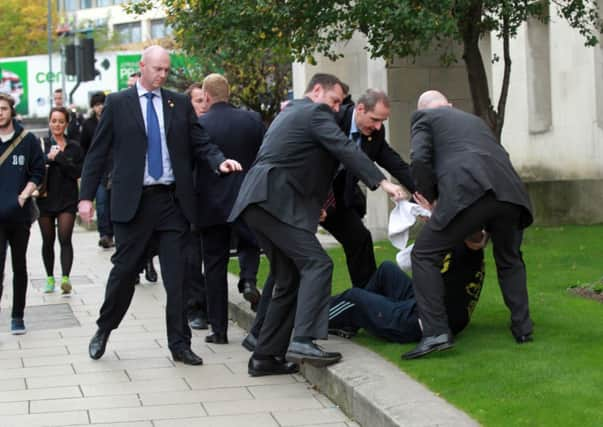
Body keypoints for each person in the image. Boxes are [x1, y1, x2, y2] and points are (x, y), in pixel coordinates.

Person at [228, 73, 407, 377]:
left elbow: (300, 162)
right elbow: (344, 148)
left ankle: (264, 357)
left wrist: (317, 205)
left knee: (288, 277)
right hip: (274, 203)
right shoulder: (315, 111)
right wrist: (381, 182)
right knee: (318, 264)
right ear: (316, 92)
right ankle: (303, 340)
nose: (337, 108)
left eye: (340, 103)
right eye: (334, 100)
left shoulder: (293, 112)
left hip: (260, 202)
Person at [78, 45, 242, 366]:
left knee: (178, 277)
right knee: (124, 274)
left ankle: (179, 344)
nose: (162, 75)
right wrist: (86, 197)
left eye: (166, 70)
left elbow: (200, 142)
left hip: (171, 203)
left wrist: (218, 161)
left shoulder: (178, 103)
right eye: (157, 69)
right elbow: (97, 153)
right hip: (133, 204)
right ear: (142, 67)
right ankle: (104, 328)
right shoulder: (117, 103)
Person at [403, 90, 534, 360]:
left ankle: (436, 331)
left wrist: (432, 198)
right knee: (509, 259)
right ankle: (523, 328)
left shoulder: (424, 118)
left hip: (468, 191)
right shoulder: (474, 122)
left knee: (424, 254)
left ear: (423, 108)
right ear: (449, 105)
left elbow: (419, 160)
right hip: (510, 193)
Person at [197, 73, 264, 344]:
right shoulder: (252, 120)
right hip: (245, 198)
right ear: (229, 93)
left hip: (211, 204)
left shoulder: (200, 125)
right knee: (250, 242)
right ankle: (248, 279)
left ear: (207, 96)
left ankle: (219, 330)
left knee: (214, 266)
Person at [325, 89, 415, 287]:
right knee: (295, 258)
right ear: (360, 109)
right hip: (309, 195)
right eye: (374, 119)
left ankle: (369, 300)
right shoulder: (332, 120)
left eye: (382, 121)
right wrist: (382, 182)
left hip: (338, 199)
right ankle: (268, 311)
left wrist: (421, 192)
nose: (377, 126)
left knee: (360, 239)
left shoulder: (375, 133)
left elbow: (394, 163)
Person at [328, 232, 487, 344]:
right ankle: (350, 320)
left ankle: (313, 319)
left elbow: (406, 261)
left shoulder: (455, 249)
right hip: (430, 306)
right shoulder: (471, 250)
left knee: (354, 297)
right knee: (386, 270)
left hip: (422, 322)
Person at [0, 93, 45, 334]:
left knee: (19, 265)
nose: (0, 113)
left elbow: (38, 171)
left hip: (19, 215)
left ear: (11, 111)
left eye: (4, 108)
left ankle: (18, 316)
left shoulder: (27, 140)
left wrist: (25, 193)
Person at [37, 107, 84, 295]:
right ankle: (49, 277)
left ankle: (65, 277)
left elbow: (78, 172)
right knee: (47, 240)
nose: (57, 125)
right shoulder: (41, 144)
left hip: (68, 199)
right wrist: (47, 158)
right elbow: (33, 168)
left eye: (61, 121)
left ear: (66, 124)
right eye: (54, 121)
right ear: (49, 122)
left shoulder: (74, 147)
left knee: (65, 238)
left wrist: (61, 158)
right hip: (45, 199)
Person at [80, 91, 115, 249]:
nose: (99, 107)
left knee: (114, 204)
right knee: (101, 203)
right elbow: (85, 147)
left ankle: (115, 233)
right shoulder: (88, 124)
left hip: (114, 167)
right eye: (96, 105)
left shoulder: (114, 120)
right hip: (98, 171)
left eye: (102, 104)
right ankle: (105, 234)